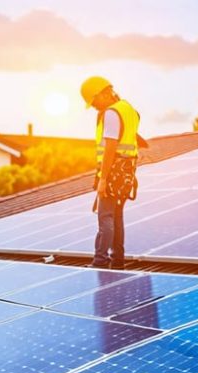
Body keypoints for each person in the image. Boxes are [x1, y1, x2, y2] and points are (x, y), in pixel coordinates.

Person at [80, 76, 140, 270]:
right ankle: (118, 259)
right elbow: (130, 136)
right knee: (117, 216)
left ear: (102, 94)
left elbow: (110, 147)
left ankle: (100, 261)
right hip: (127, 171)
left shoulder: (112, 113)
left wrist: (103, 179)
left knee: (105, 216)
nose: (95, 106)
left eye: (94, 101)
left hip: (113, 171)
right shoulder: (128, 109)